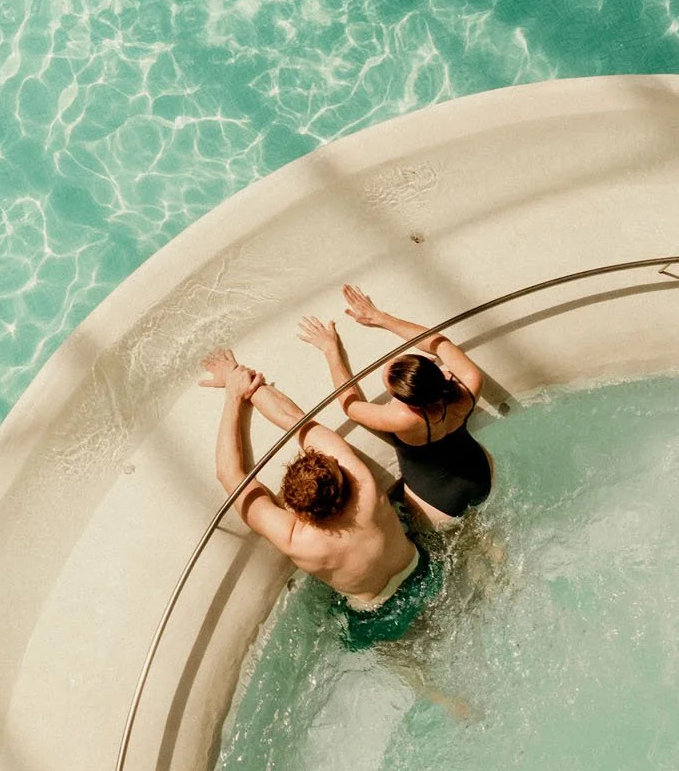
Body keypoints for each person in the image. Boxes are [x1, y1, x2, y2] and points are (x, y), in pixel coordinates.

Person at [199, 350, 464, 712]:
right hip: (423, 573)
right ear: (341, 482)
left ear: (298, 510)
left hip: (378, 617)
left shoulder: (297, 539)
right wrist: (248, 383)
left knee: (402, 659)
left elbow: (230, 474)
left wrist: (234, 395)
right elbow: (298, 422)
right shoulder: (365, 489)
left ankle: (442, 700)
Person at [297, 283, 495, 537]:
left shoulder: (404, 418)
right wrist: (381, 318)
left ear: (410, 403)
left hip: (437, 502)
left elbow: (351, 405)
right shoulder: (469, 384)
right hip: (481, 475)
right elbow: (438, 342)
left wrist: (330, 350)